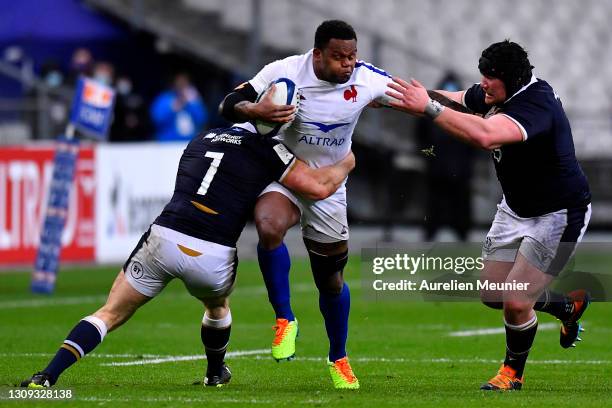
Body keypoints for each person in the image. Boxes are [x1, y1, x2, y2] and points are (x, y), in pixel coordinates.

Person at [20, 126, 356, 389]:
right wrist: (346, 162)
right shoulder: (269, 150)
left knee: (109, 313)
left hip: (165, 237)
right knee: (217, 308)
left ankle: (47, 377)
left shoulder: (202, 137)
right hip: (212, 254)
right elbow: (317, 187)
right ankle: (214, 373)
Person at [386, 40, 592, 391]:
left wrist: (428, 108)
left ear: (511, 80)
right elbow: (460, 98)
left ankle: (512, 374)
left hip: (557, 213)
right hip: (515, 208)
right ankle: (566, 306)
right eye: (483, 76)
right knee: (491, 293)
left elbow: (486, 135)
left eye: (491, 78)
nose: (484, 84)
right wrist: (401, 95)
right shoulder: (497, 93)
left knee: (515, 301)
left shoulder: (536, 104)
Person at [219, 19, 396, 389]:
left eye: (352, 56)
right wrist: (257, 111)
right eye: (338, 57)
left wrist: (468, 105)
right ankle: (285, 318)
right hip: (286, 172)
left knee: (330, 281)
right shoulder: (283, 72)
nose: (347, 64)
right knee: (268, 226)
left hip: (330, 183)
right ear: (317, 54)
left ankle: (338, 357)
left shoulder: (367, 80)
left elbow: (417, 98)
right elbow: (230, 103)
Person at [416, 71, 474, 241]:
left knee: (460, 203)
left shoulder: (466, 111)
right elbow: (422, 140)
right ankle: (431, 232)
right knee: (435, 203)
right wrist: (429, 157)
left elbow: (474, 140)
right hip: (437, 168)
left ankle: (462, 232)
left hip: (460, 168)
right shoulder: (430, 112)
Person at [151, 73, 208, 142]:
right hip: (168, 142)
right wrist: (172, 109)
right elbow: (157, 120)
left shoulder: (193, 98)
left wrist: (193, 103)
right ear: (174, 83)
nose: (182, 85)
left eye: (185, 82)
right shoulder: (164, 98)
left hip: (190, 141)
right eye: (180, 82)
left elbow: (202, 119)